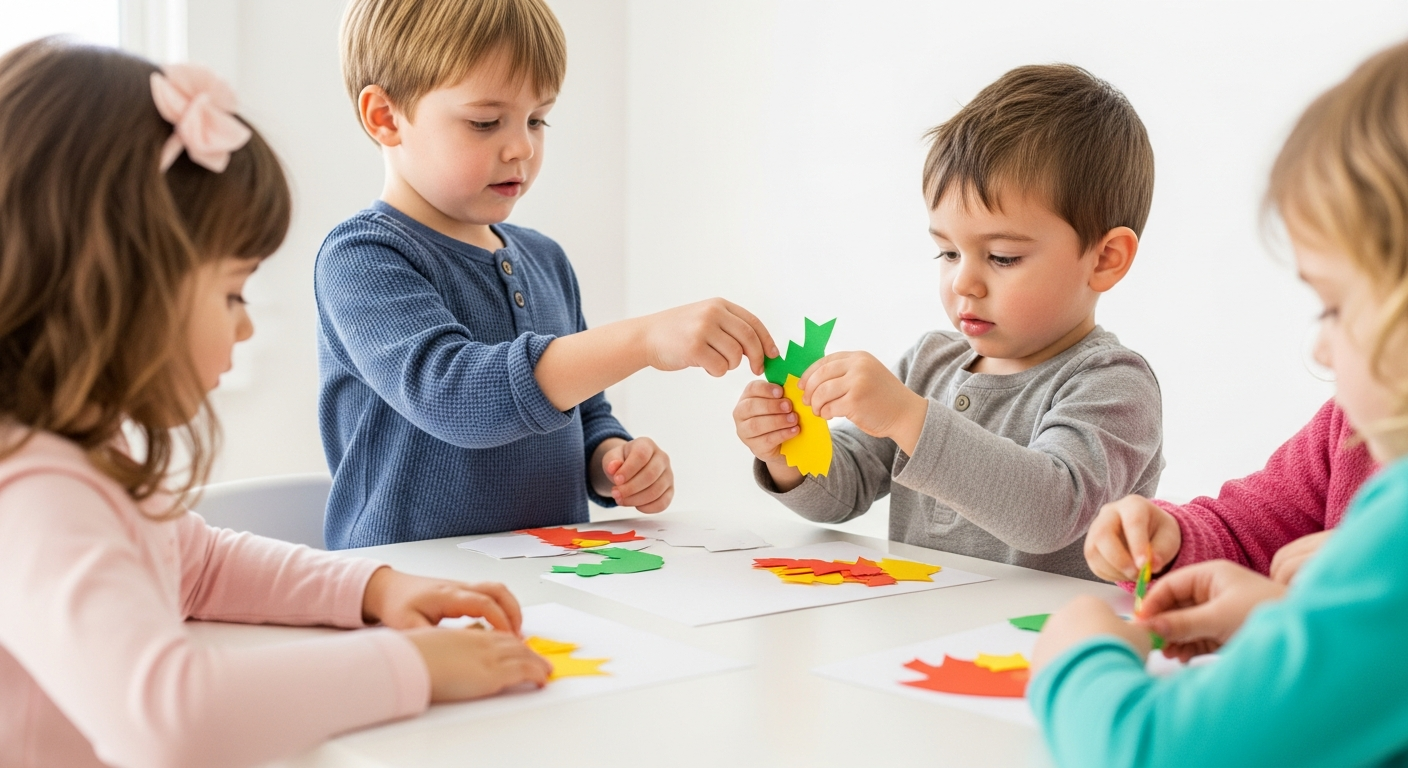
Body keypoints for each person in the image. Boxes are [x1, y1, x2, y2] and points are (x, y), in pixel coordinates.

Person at [0, 40, 552, 768]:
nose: (246, 323)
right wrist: (414, 667)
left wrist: (374, 588)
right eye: (232, 292)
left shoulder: (89, 452)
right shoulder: (33, 490)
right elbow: (170, 717)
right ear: (112, 289)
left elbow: (195, 566)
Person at [1031, 38, 1408, 767]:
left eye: (1332, 307)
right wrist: (1169, 536)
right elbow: (1244, 525)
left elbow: (1156, 750)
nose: (1323, 351)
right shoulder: (1352, 434)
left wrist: (1075, 657)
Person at [318, 0, 778, 548]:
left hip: (545, 576)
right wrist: (644, 339)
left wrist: (610, 460)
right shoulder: (363, 255)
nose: (522, 147)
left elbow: (584, 412)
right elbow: (457, 396)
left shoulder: (546, 260)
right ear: (385, 117)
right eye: (485, 122)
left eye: (537, 119)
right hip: (409, 586)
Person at [733, 64, 1164, 579]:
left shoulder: (1113, 384)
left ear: (1105, 259)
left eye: (1002, 257)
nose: (964, 283)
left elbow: (1051, 512)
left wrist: (907, 417)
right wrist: (786, 449)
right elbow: (840, 496)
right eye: (948, 253)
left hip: (1042, 648)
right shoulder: (929, 364)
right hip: (923, 638)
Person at [1084, 399, 1377, 586]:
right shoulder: (1351, 424)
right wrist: (1174, 541)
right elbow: (1247, 533)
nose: (1320, 352)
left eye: (1336, 314)